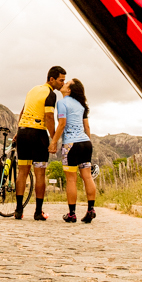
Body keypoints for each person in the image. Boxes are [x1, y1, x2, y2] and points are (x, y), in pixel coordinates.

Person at [13, 66, 65, 220]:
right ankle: (38, 212)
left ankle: (18, 210)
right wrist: (53, 139)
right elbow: (49, 117)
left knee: (22, 172)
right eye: (61, 80)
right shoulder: (50, 94)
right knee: (40, 173)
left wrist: (18, 131)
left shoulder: (33, 90)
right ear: (52, 79)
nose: (62, 83)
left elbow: (23, 111)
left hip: (23, 131)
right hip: (38, 134)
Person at [51, 78, 96, 223]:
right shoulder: (81, 105)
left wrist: (53, 142)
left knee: (71, 179)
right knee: (87, 177)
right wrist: (87, 142)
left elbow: (62, 124)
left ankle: (72, 214)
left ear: (69, 90)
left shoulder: (62, 103)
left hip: (71, 145)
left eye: (66, 83)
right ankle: (91, 209)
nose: (63, 84)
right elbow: (87, 127)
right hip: (85, 143)